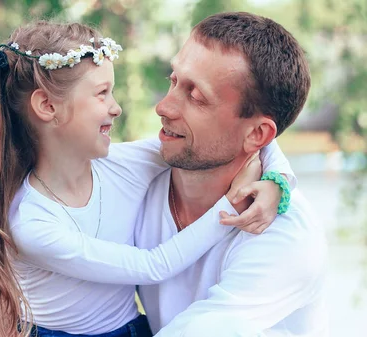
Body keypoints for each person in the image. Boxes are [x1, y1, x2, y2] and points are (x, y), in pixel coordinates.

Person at [0, 21, 296, 337]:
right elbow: (154, 266)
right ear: (47, 106)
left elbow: (232, 135)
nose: (117, 108)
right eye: (102, 94)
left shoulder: (123, 165)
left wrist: (277, 177)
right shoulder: (33, 223)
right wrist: (232, 203)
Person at [135, 12, 328, 336]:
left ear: (257, 135)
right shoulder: (139, 180)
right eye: (173, 81)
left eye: (196, 96)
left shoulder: (284, 237)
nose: (164, 107)